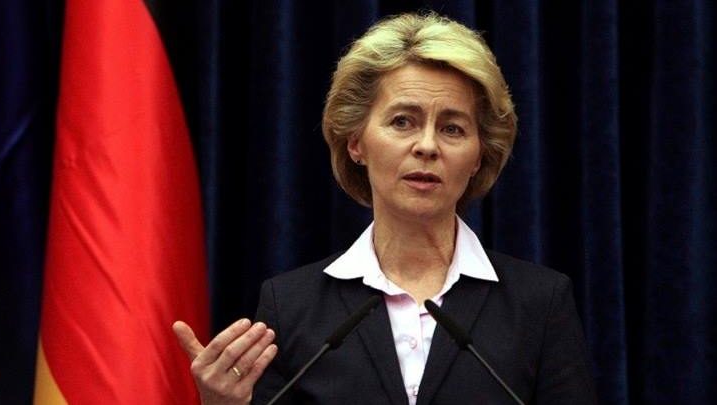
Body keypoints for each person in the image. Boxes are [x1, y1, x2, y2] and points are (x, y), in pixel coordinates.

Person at [173, 12, 598, 405]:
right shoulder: (290, 306)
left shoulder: (540, 303)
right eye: (402, 122)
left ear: (478, 156)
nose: (427, 146)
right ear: (356, 142)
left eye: (452, 128)